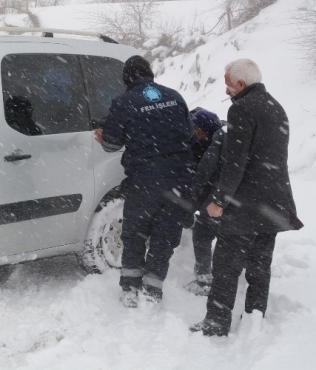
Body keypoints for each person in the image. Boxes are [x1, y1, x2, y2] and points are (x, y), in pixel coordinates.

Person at [190, 59, 304, 337]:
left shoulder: (241, 109)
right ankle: (255, 317)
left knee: (226, 266)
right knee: (259, 265)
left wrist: (218, 201)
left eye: (228, 84)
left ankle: (216, 323)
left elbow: (235, 163)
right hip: (274, 202)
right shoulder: (276, 107)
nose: (227, 89)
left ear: (241, 84)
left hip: (246, 204)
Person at [95, 55, 193, 307]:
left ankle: (129, 289)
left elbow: (112, 144)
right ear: (150, 73)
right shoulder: (175, 96)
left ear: (126, 78)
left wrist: (102, 136)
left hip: (145, 179)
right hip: (178, 178)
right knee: (164, 237)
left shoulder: (124, 102)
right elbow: (188, 132)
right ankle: (152, 291)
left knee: (135, 234)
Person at [185, 108, 225, 296]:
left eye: (198, 130)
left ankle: (205, 281)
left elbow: (207, 166)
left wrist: (195, 187)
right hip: (222, 191)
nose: (195, 133)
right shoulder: (203, 140)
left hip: (221, 193)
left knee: (203, 233)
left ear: (206, 129)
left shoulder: (219, 140)